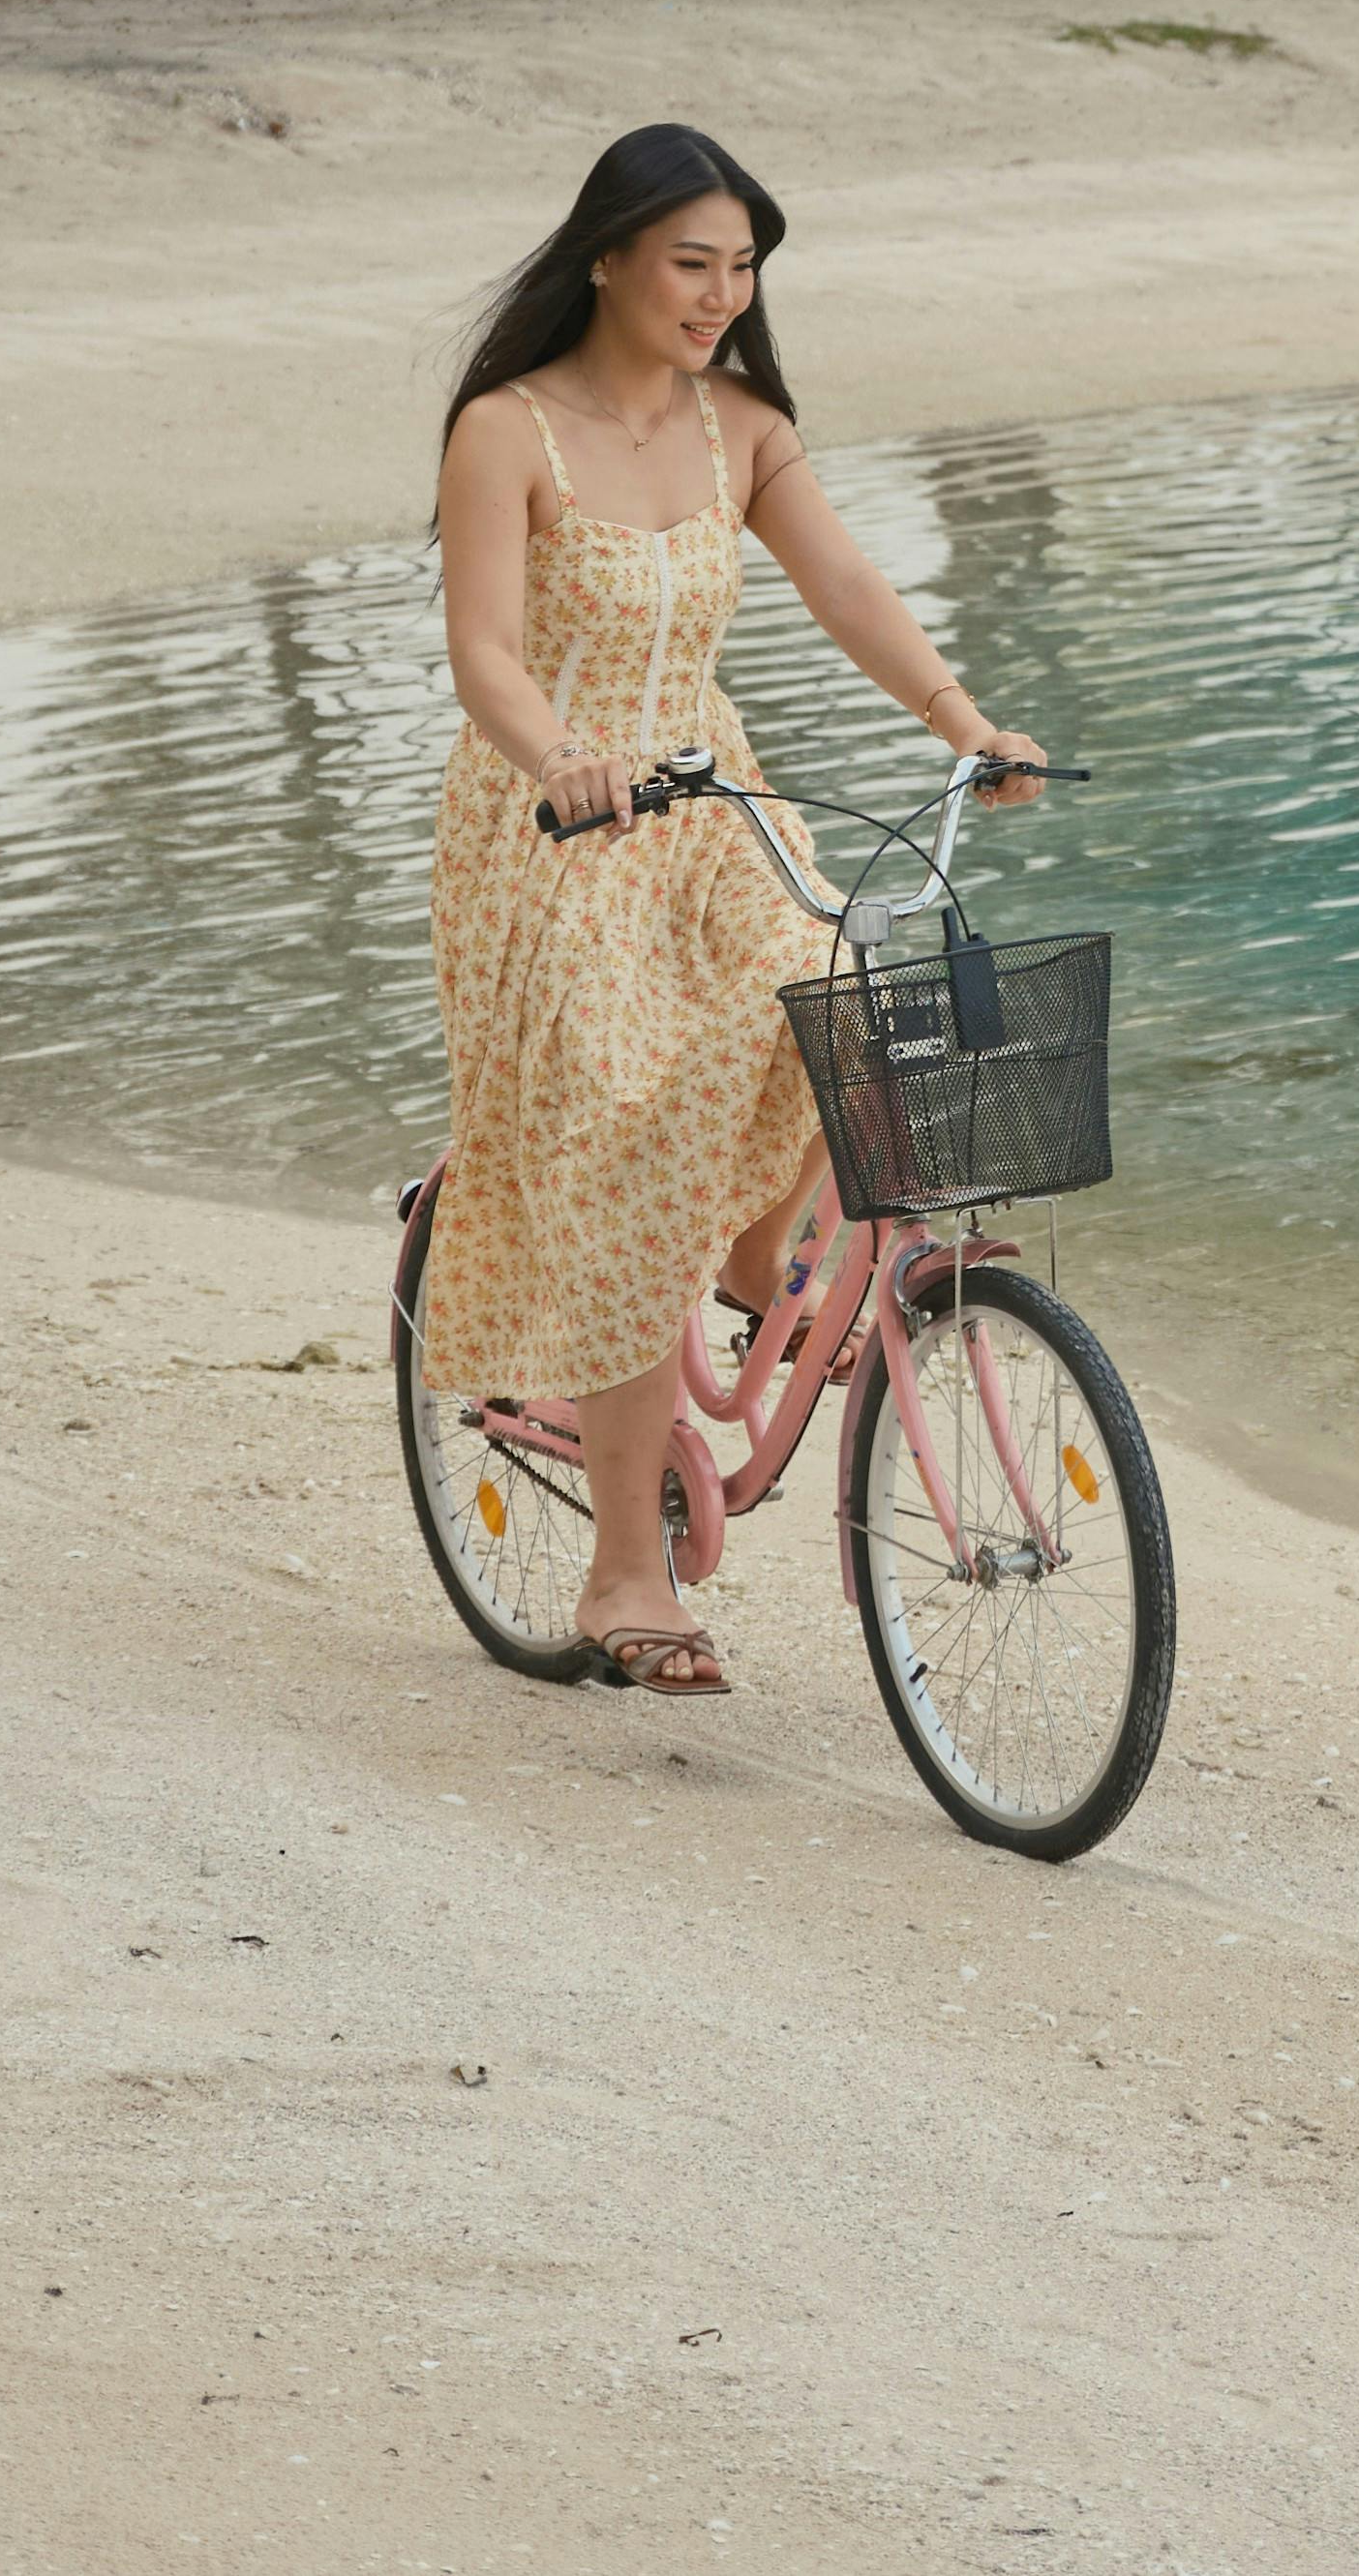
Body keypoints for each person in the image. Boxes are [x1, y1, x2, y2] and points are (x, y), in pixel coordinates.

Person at [417, 123, 1028, 1691]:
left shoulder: (742, 422)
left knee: (839, 994)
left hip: (708, 799)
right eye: (691, 261)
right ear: (608, 254)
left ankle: (754, 1263)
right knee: (630, 1114)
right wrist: (559, 754)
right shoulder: (506, 428)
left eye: (742, 267)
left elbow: (848, 589)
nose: (718, 293)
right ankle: (627, 1568)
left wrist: (969, 724)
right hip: (549, 820)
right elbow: (485, 648)